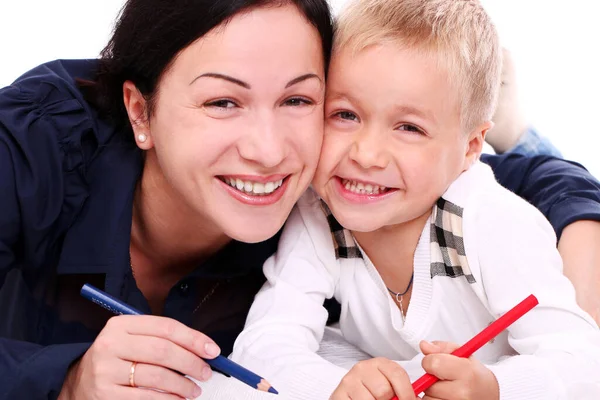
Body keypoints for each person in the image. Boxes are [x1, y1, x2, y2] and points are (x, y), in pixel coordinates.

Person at [1, 0, 599, 399]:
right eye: (222, 102)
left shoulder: (334, 188)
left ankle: (512, 123)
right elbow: (274, 349)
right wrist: (67, 379)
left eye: (298, 100)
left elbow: (515, 184)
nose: (267, 152)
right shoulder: (36, 143)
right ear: (140, 111)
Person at [229, 1, 600, 399]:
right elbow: (264, 344)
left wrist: (495, 387)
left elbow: (582, 361)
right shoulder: (317, 209)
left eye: (409, 127)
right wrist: (335, 386)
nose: (366, 155)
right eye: (345, 114)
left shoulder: (492, 222)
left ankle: (517, 130)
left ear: (470, 147)